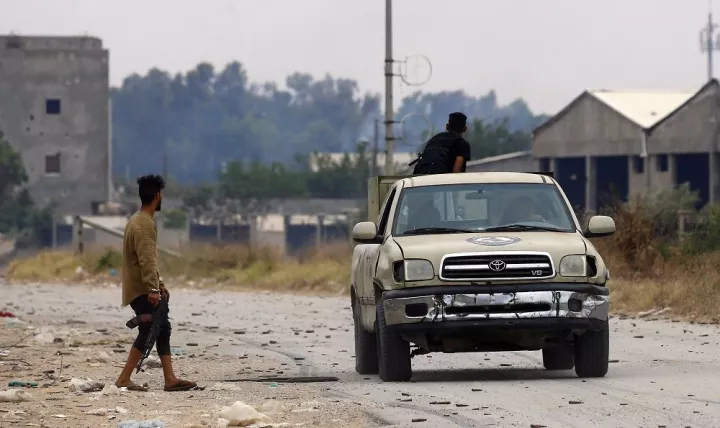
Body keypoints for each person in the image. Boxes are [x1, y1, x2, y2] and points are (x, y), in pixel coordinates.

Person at [115, 174, 196, 392]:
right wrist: (153, 288)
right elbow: (146, 259)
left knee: (162, 328)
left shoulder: (138, 219)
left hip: (140, 286)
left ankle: (170, 378)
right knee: (149, 329)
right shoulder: (143, 224)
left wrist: (158, 284)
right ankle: (124, 378)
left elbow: (146, 259)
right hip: (141, 288)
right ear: (158, 196)